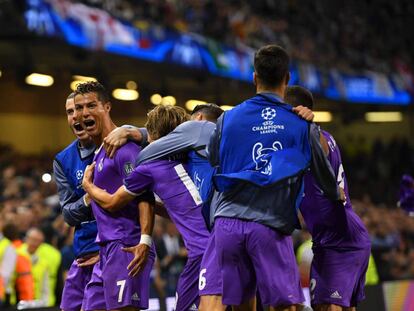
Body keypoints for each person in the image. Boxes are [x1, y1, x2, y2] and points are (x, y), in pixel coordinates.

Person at [207, 45, 342, 311]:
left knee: (243, 304)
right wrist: (336, 194)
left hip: (227, 225)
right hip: (267, 225)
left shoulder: (226, 119)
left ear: (254, 78)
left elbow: (214, 159)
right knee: (285, 306)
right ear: (287, 78)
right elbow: (326, 179)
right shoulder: (301, 123)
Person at [82, 104, 211, 311]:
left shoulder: (149, 167)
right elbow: (178, 207)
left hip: (202, 252)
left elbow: (113, 202)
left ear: (151, 134)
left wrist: (88, 186)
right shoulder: (194, 156)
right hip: (224, 238)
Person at [53, 91, 147, 311]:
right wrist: (91, 193)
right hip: (83, 255)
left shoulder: (120, 142)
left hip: (114, 249)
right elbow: (67, 214)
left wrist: (131, 131)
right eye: (71, 112)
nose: (77, 115)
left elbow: (156, 136)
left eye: (82, 109)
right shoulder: (63, 160)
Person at [284, 85, 372, 311]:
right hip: (336, 238)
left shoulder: (316, 138)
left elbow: (320, 149)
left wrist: (307, 124)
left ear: (293, 110)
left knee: (328, 307)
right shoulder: (316, 139)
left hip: (340, 239)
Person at [74, 81, 155, 311]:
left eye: (91, 105)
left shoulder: (125, 149)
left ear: (107, 107)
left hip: (127, 247)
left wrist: (144, 241)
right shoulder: (100, 153)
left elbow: (144, 195)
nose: (83, 113)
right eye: (79, 108)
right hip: (106, 250)